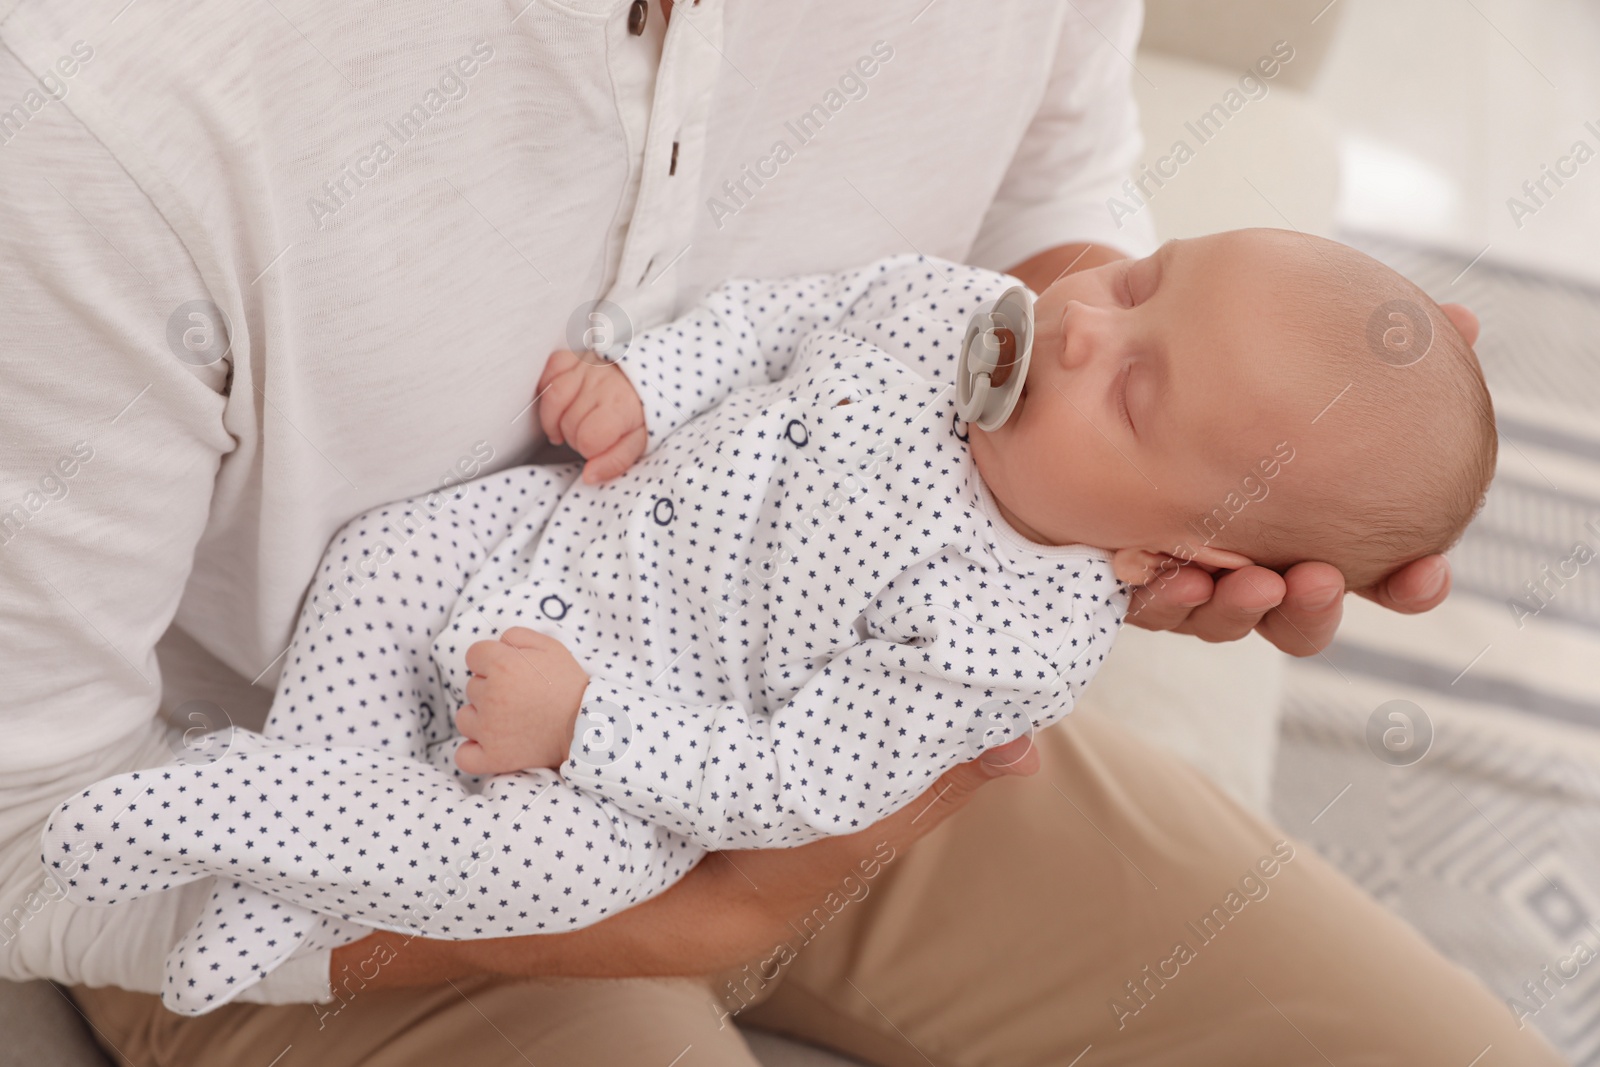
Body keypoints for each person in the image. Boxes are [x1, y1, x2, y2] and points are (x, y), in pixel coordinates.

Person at [1, 0, 1556, 1062]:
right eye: (1125, 303)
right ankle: (279, 837)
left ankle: (295, 834)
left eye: (1130, 367)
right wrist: (691, 922)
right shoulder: (102, 101)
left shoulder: (1010, 630)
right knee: (391, 644)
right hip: (398, 701)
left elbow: (1056, 189)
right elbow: (22, 849)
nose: (1076, 323)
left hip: (734, 761)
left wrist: (1233, 424)